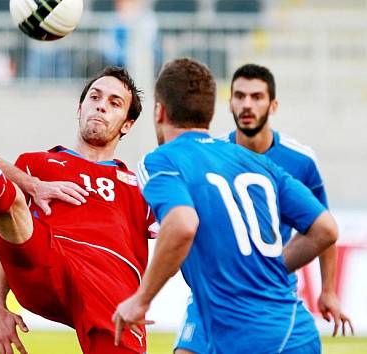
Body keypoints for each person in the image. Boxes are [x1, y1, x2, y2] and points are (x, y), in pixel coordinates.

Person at [113, 58, 338, 353]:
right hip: (296, 331)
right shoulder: (259, 163)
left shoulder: (161, 160)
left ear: (160, 111)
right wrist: (266, 267)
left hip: (245, 334)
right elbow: (326, 229)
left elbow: (182, 223)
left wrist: (141, 299)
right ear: (213, 111)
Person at [0, 66, 156, 354]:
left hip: (109, 282)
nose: (101, 105)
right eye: (95, 97)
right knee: (12, 206)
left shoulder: (140, 186)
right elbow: (1, 240)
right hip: (48, 258)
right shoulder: (37, 164)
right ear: (80, 108)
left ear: (127, 124)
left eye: (114, 103)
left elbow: (182, 232)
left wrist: (145, 296)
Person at [173, 63, 354, 354]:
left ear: (273, 105)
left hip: (270, 291)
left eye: (256, 97)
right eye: (240, 96)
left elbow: (323, 225)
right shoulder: (209, 155)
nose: (247, 104)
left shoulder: (300, 161)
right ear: (229, 101)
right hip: (216, 291)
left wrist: (329, 291)